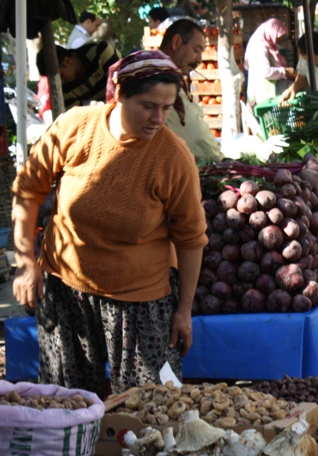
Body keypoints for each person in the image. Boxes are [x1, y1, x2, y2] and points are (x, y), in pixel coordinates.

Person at [11, 49, 208, 396]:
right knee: (65, 403)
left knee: (150, 409)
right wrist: (26, 263)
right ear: (119, 95)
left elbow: (191, 239)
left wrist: (184, 310)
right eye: (148, 106)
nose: (158, 118)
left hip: (142, 301)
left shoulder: (174, 158)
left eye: (166, 108)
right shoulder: (74, 127)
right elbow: (27, 191)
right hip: (66, 288)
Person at [158, 18, 223, 161]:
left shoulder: (161, 71)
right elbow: (200, 141)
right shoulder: (162, 77)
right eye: (196, 50)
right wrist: (222, 161)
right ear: (176, 42)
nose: (199, 60)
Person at [36, 41, 121, 110]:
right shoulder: (64, 91)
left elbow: (124, 85)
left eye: (61, 75)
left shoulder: (100, 52)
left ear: (67, 61)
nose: (61, 82)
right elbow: (79, 118)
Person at [243, 18, 295, 107]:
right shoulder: (259, 47)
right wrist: (285, 71)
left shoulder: (267, 44)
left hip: (267, 96)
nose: (278, 39)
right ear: (271, 32)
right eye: (277, 36)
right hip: (263, 97)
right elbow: (265, 71)